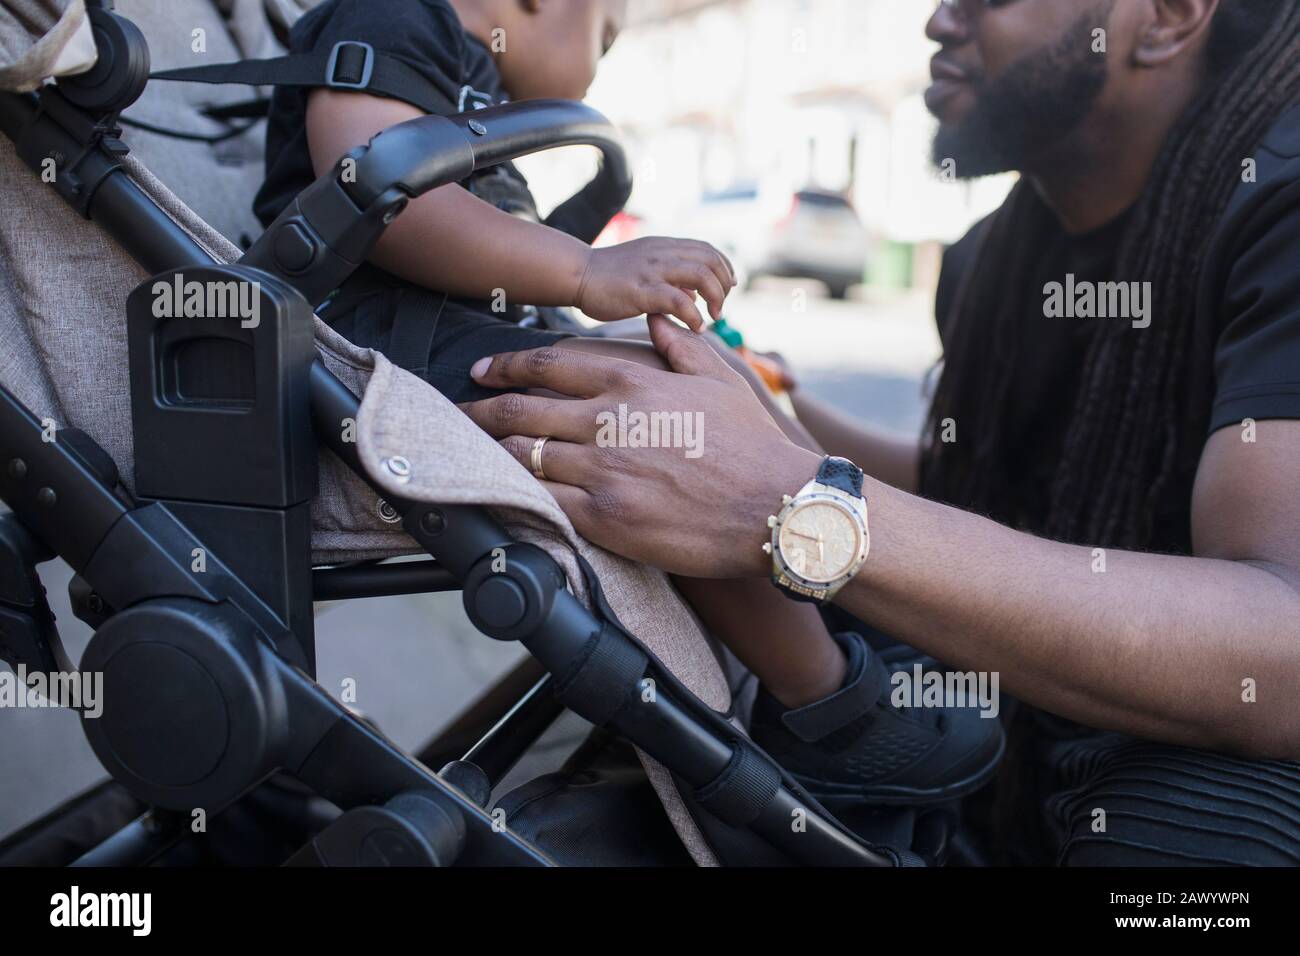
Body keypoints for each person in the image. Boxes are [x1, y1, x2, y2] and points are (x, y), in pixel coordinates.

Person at [460, 0, 1300, 865]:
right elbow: (975, 497)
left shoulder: (1280, 205)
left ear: (1165, 18)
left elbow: (1283, 656)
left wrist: (788, 503)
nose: (939, 21)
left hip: (1187, 796)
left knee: (1202, 825)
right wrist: (769, 419)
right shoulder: (991, 258)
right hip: (1035, 757)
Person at [255, 0, 1005, 809]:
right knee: (665, 427)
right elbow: (379, 195)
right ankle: (828, 713)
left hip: (445, 340)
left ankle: (850, 589)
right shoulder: (394, 16)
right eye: (608, 34)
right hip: (369, 354)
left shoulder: (461, 68)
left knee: (710, 375)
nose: (604, 55)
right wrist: (584, 272)